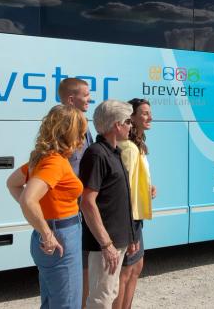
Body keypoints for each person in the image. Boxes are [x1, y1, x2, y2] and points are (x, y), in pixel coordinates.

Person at [6, 104, 87, 309]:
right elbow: (28, 199)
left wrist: (41, 223)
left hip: (54, 234)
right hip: (61, 235)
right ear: (70, 133)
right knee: (67, 304)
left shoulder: (41, 159)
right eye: (81, 133)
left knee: (52, 302)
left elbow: (13, 184)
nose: (83, 140)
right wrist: (47, 233)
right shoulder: (54, 162)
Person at [79, 100, 139, 308]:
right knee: (100, 299)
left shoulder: (114, 152)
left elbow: (121, 199)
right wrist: (106, 244)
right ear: (116, 125)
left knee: (110, 293)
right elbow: (87, 202)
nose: (131, 126)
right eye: (128, 121)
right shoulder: (96, 154)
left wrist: (131, 236)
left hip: (118, 240)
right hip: (104, 244)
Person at [113, 98, 157, 309]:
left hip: (135, 216)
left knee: (136, 267)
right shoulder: (129, 148)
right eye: (145, 113)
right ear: (131, 118)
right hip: (130, 218)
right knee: (126, 271)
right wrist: (130, 230)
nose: (150, 117)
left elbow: (135, 181)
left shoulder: (137, 145)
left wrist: (147, 188)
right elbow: (124, 189)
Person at [58, 77, 93, 308]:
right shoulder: (67, 127)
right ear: (72, 99)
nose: (89, 99)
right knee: (75, 271)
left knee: (84, 266)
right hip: (73, 210)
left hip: (80, 208)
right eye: (86, 95)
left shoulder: (82, 122)